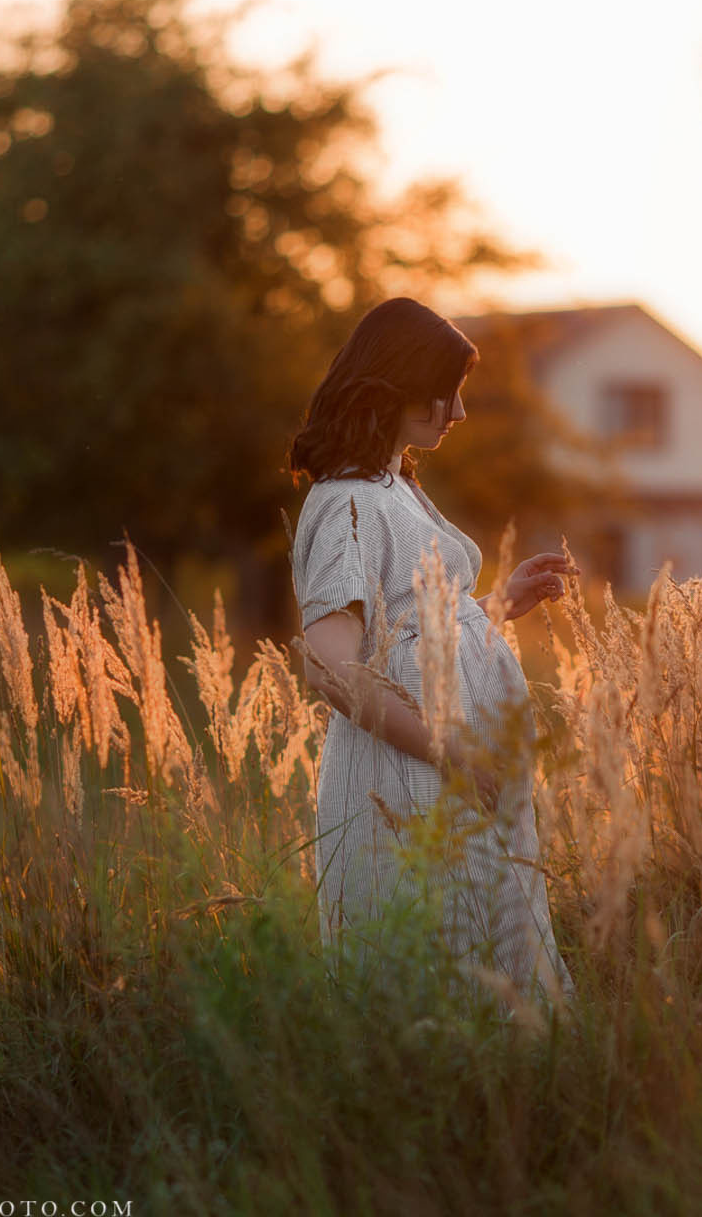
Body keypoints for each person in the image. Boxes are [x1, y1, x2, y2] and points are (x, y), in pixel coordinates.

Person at [287, 297, 576, 999]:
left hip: (450, 771)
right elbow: (329, 664)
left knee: (485, 961)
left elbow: (409, 629)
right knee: (438, 978)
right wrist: (450, 751)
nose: (461, 413)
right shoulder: (351, 499)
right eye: (450, 392)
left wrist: (499, 605)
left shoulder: (394, 485)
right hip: (412, 775)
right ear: (401, 383)